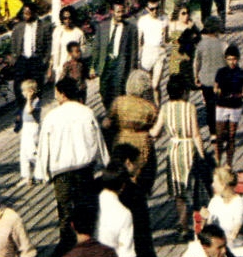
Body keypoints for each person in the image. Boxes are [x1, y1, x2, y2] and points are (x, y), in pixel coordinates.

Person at [37, 76, 111, 238]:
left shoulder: (51, 117)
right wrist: (106, 161)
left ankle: (67, 243)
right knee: (86, 207)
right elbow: (98, 138)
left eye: (56, 93)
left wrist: (42, 173)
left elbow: (44, 146)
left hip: (61, 173)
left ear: (63, 94)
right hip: (85, 169)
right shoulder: (87, 112)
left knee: (65, 211)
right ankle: (89, 239)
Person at [160, 76, 206, 232]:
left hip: (173, 149)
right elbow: (196, 134)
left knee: (178, 190)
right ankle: (197, 223)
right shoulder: (189, 108)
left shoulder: (165, 108)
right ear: (184, 92)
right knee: (192, 188)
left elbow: (155, 131)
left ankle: (183, 224)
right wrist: (202, 154)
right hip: (188, 148)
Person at [108, 69, 161, 195]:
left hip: (121, 140)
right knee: (141, 179)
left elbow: (107, 123)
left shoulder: (118, 102)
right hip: (142, 143)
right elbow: (156, 130)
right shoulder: (149, 107)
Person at [92, 1, 139, 110]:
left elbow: (133, 51)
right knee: (104, 92)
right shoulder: (102, 27)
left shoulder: (130, 29)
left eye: (122, 12)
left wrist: (132, 70)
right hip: (105, 65)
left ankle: (116, 117)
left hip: (120, 66)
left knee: (118, 93)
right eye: (118, 12)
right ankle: (109, 112)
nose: (120, 14)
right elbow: (96, 48)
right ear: (112, 12)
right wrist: (93, 67)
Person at [212, 43, 243, 169]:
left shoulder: (242, 74)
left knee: (231, 136)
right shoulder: (221, 72)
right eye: (229, 59)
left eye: (234, 59)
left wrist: (237, 95)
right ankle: (217, 162)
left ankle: (229, 163)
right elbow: (215, 88)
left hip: (235, 106)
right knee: (219, 136)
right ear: (226, 59)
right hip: (222, 105)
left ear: (238, 59)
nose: (232, 62)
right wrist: (219, 93)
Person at [206, 163, 243, 248]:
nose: (212, 185)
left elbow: (234, 233)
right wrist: (204, 218)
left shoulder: (239, 204)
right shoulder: (214, 201)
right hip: (217, 244)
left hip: (235, 244)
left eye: (215, 182)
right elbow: (208, 230)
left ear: (223, 185)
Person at [17, 77, 45, 185]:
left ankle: (40, 174)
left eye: (25, 91)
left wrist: (29, 99)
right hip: (26, 127)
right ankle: (26, 175)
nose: (23, 93)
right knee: (24, 152)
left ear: (31, 91)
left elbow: (29, 111)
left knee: (32, 151)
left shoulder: (36, 101)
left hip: (33, 127)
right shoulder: (29, 102)